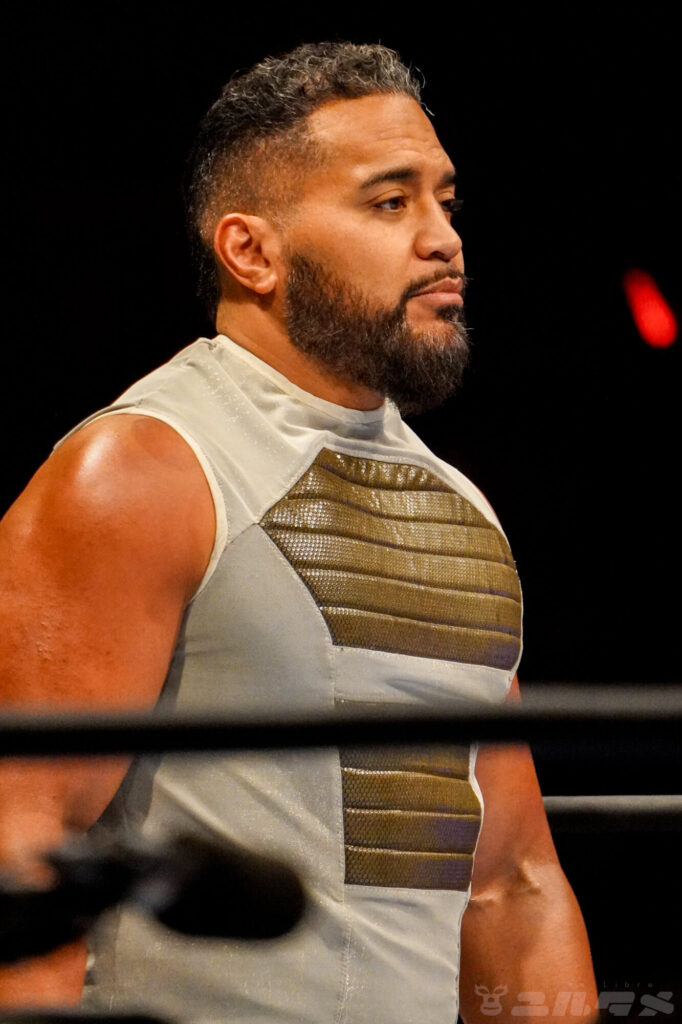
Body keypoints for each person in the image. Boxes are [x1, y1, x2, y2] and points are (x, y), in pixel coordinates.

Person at [0, 42, 598, 1022]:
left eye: (446, 201)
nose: (443, 239)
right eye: (389, 203)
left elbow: (512, 884)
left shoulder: (460, 509)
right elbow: (20, 842)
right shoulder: (141, 470)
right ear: (251, 252)